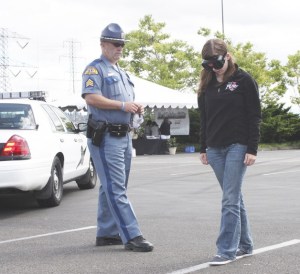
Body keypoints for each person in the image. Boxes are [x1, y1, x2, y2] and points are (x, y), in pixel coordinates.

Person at [81, 23, 153, 252]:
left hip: (123, 136)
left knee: (111, 186)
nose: (120, 48)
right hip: (106, 136)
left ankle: (107, 232)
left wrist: (134, 109)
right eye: (116, 44)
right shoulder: (95, 69)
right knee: (115, 187)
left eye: (122, 44)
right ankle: (132, 235)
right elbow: (91, 97)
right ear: (103, 44)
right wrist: (123, 105)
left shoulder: (122, 72)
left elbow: (124, 104)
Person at [197, 38, 261, 265]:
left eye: (218, 63)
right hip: (214, 150)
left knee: (229, 200)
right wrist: (203, 147)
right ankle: (246, 244)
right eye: (210, 65)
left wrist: (252, 148)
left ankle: (226, 250)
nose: (215, 68)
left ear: (228, 56)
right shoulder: (206, 85)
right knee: (233, 198)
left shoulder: (244, 80)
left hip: (238, 146)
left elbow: (254, 116)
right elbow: (204, 119)